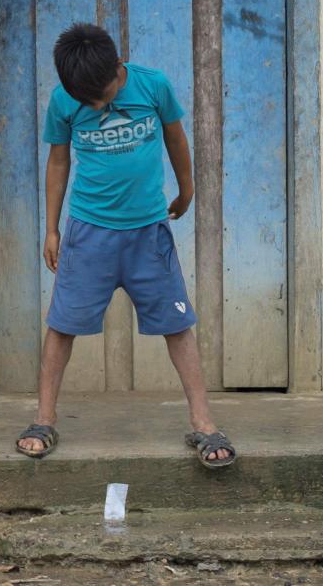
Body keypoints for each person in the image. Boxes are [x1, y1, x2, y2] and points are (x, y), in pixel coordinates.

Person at [15, 24, 236, 468]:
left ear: (119, 67)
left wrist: (187, 188)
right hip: (88, 235)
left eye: (103, 96)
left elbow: (176, 136)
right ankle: (43, 419)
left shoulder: (153, 85)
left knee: (178, 325)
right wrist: (52, 229)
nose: (98, 106)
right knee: (62, 324)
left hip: (148, 235)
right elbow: (58, 161)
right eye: (88, 102)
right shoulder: (64, 101)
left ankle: (204, 425)